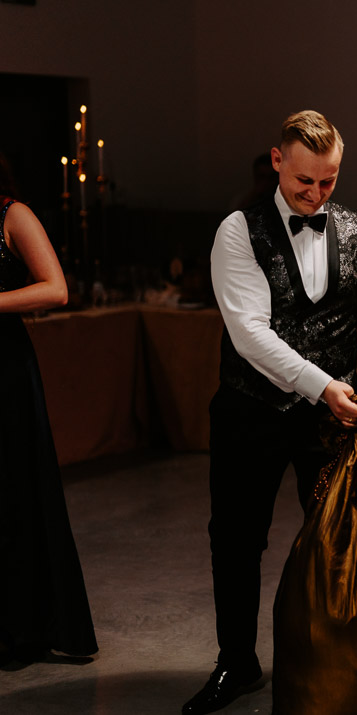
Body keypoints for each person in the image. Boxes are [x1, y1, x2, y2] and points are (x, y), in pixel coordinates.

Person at [183, 110, 357, 715]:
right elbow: (250, 333)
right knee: (236, 539)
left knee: (338, 541)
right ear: (277, 161)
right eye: (304, 180)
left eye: (328, 181)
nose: (316, 193)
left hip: (334, 419)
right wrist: (325, 386)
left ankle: (334, 667)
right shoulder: (237, 231)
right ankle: (236, 663)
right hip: (251, 409)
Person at [0, 189, 98, 663]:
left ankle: (21, 627)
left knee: (12, 493)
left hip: (3, 366)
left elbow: (56, 289)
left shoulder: (11, 214)